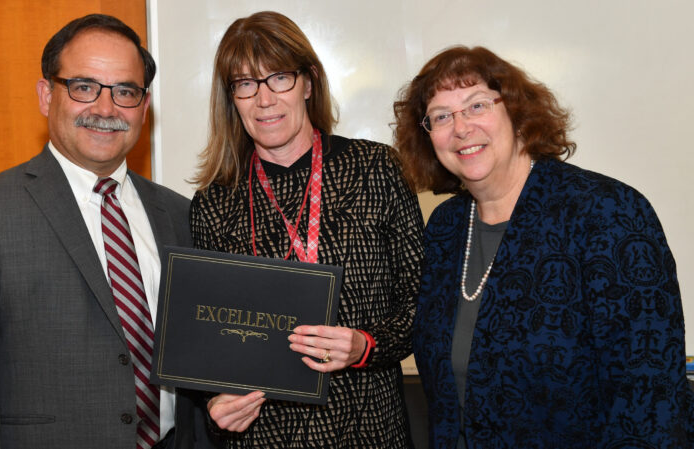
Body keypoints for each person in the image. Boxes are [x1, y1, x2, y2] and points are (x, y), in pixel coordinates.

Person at [0, 14, 213, 449]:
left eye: (125, 92)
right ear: (46, 95)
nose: (105, 108)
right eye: (83, 87)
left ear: (143, 107)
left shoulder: (177, 213)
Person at [393, 45, 694, 448]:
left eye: (477, 105)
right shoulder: (445, 228)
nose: (460, 128)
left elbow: (649, 397)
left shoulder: (606, 212)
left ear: (517, 112)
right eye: (441, 116)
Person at [190, 10, 424, 448]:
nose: (264, 99)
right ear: (232, 98)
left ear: (308, 83)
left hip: (368, 428)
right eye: (245, 84)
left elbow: (422, 303)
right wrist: (215, 401)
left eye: (278, 77)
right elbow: (210, 342)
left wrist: (366, 346)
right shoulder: (215, 204)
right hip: (263, 436)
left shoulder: (375, 170)